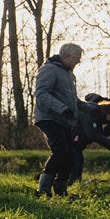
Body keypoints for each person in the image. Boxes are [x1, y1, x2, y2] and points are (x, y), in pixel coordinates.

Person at [33, 44, 82, 197]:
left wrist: (90, 108)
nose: (77, 63)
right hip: (48, 117)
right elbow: (41, 93)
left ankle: (61, 189)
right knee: (61, 151)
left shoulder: (70, 75)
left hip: (64, 120)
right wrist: (62, 109)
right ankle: (43, 188)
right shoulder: (49, 69)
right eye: (76, 59)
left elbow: (72, 100)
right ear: (67, 57)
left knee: (70, 154)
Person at [69, 100, 110, 185]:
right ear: (106, 112)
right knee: (76, 160)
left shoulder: (97, 118)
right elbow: (91, 134)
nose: (109, 120)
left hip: (77, 141)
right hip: (71, 138)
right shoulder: (90, 112)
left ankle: (76, 183)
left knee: (79, 160)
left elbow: (98, 135)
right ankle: (71, 183)